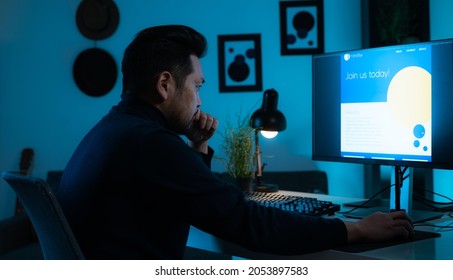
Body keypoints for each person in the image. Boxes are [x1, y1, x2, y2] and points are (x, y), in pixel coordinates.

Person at [58, 25, 414, 259]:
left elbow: (185, 198)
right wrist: (356, 228)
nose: (199, 100)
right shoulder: (149, 144)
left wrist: (197, 145)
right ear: (165, 84)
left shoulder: (116, 128)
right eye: (196, 86)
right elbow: (246, 223)